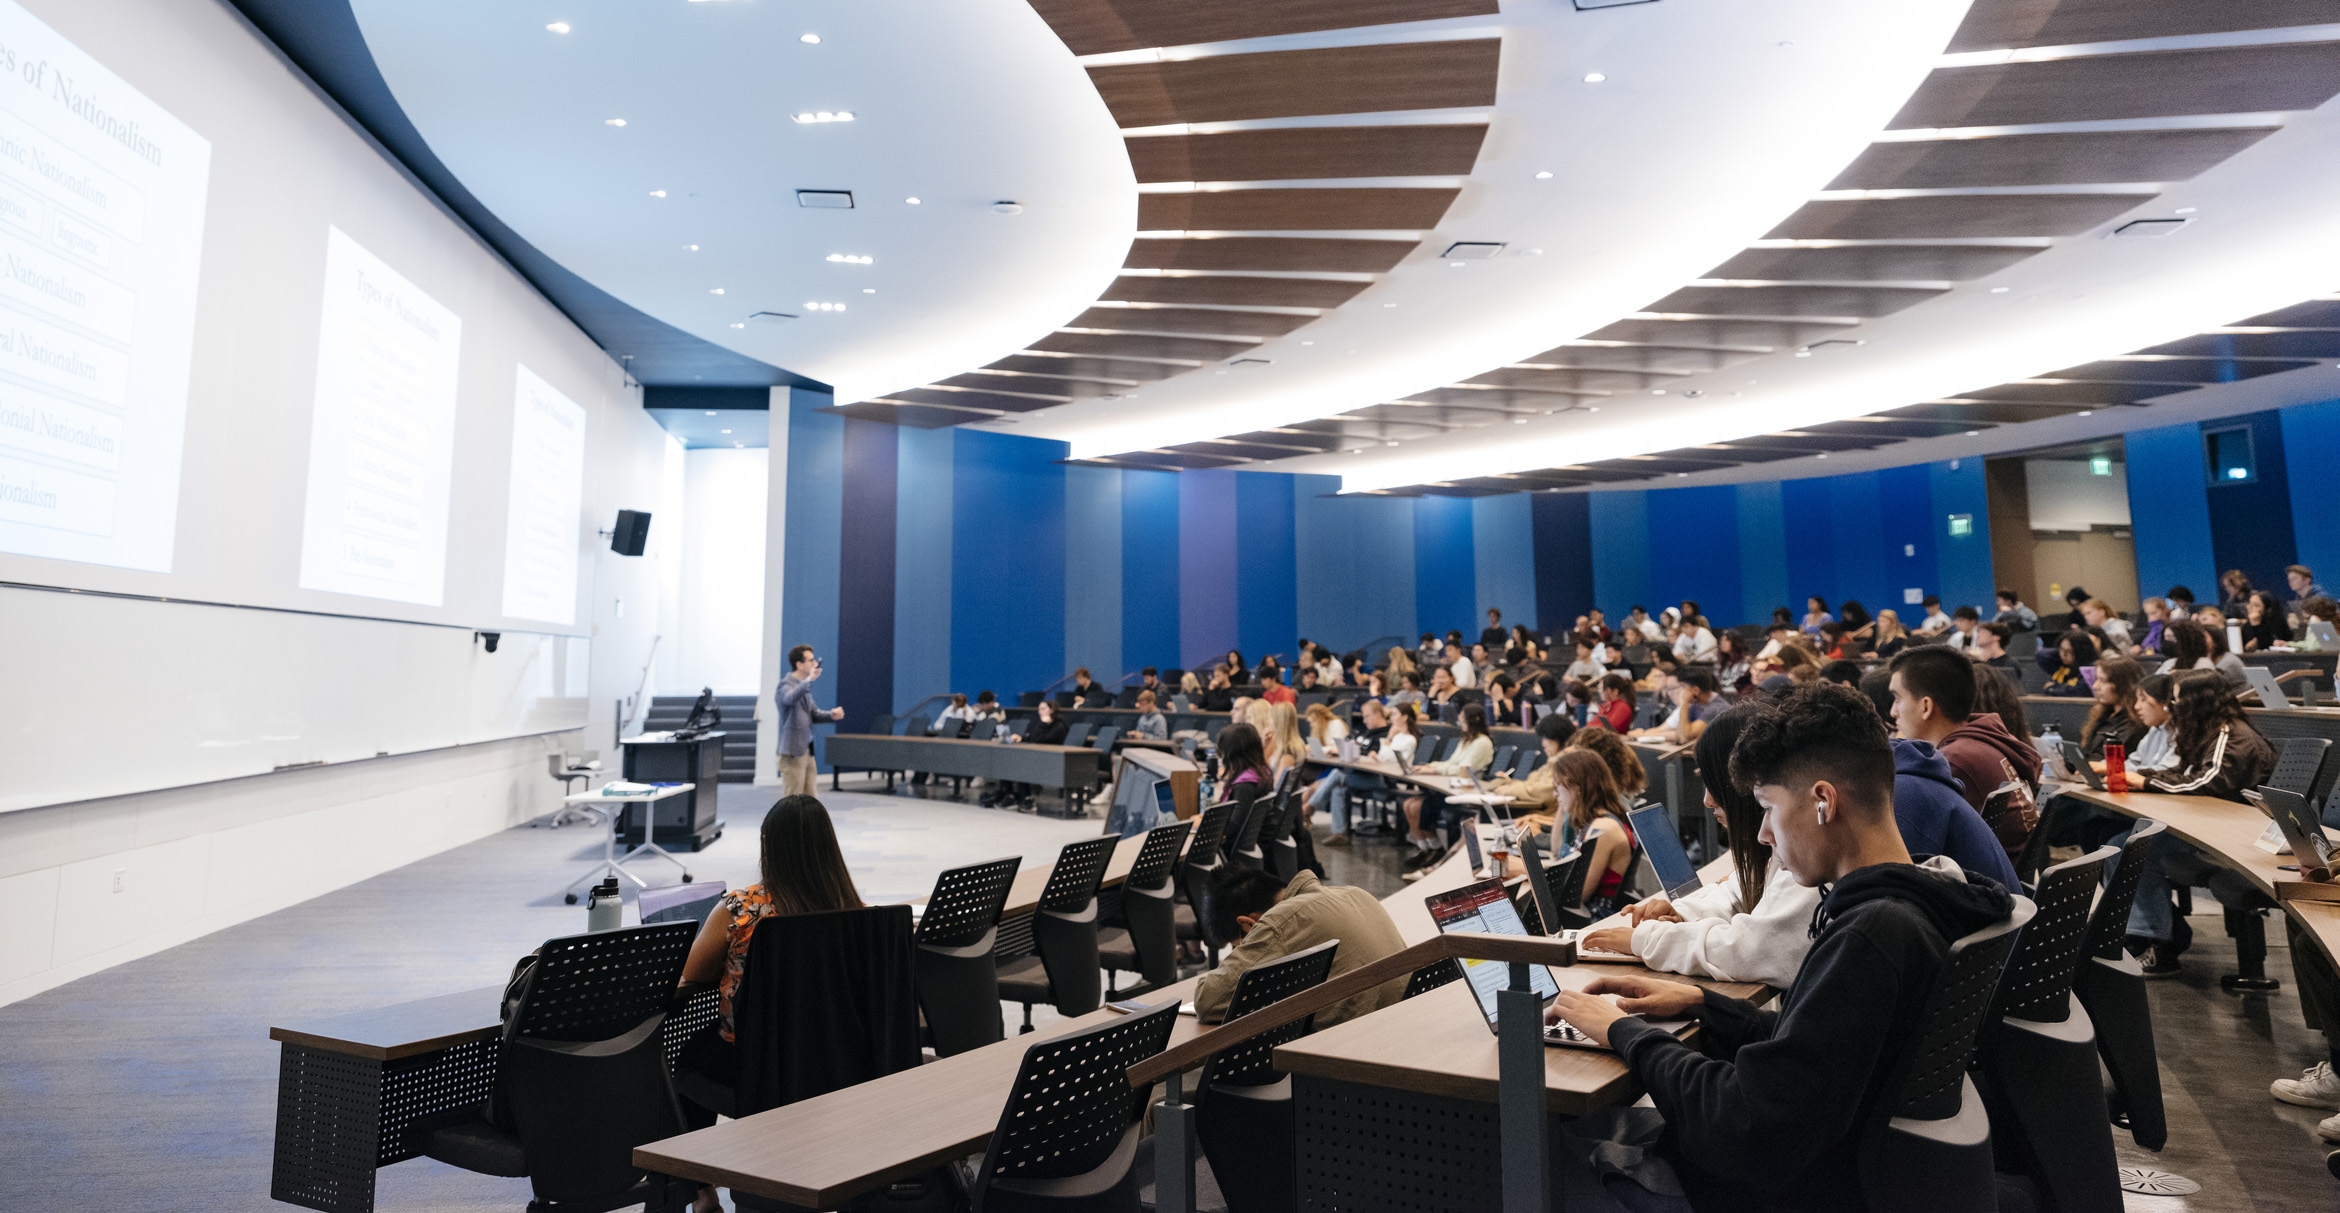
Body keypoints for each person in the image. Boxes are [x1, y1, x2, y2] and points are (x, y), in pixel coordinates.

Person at [1543, 681, 2016, 1213]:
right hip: (1851, 1169)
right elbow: (1825, 1053)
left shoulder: (1871, 935)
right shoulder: (1927, 897)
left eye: (1768, 807)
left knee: (1545, 1155)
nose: (1763, 833)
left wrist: (1623, 1032)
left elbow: (1751, 1128)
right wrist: (1705, 1005)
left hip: (1784, 1189)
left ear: (1822, 801)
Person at [1580, 707, 1821, 990]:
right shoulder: (1784, 851)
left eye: (1713, 783)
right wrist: (1681, 914)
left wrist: (1646, 940)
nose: (1707, 800)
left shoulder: (1809, 863)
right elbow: (1738, 892)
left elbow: (1750, 950)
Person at [676, 795, 865, 1144]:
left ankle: (696, 1187)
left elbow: (694, 971)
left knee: (687, 1053)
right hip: (836, 1059)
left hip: (757, 1065)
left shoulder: (741, 910)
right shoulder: (856, 912)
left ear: (769, 846)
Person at [1195, 867, 1408, 1027]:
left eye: (1241, 946)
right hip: (1402, 1030)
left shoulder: (1282, 920)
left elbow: (1209, 1002)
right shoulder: (1355, 894)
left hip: (1357, 1055)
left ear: (1249, 924)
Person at [1886, 646, 2040, 860]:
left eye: (1897, 698)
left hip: (1983, 888)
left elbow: (1912, 852)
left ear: (1926, 706)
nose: (1893, 712)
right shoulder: (1977, 744)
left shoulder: (1955, 760)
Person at [1401, 704, 1495, 874]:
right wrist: (1431, 766)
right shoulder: (1466, 740)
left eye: (1462, 717)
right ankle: (1426, 848)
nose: (1459, 720)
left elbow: (1466, 769)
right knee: (1409, 804)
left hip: (1467, 790)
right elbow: (1452, 762)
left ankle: (1437, 849)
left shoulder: (1483, 743)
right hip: (1452, 784)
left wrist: (1435, 770)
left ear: (1472, 720)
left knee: (1417, 806)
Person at [1549, 749, 1638, 919]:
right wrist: (1564, 801)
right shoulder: (1594, 821)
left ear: (1577, 786)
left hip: (1599, 918)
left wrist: (1529, 874)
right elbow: (1557, 849)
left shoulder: (1603, 828)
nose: (1555, 794)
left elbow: (1575, 896)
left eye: (1557, 786)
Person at [774, 645, 846, 796]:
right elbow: (789, 698)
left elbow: (812, 714)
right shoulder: (785, 685)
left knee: (810, 798)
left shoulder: (804, 687)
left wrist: (830, 715)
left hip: (807, 750)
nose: (814, 664)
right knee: (792, 799)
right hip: (792, 752)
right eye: (810, 660)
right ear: (799, 664)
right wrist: (808, 680)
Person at [1484, 711, 1576, 815]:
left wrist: (1509, 790)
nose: (1543, 744)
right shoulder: (1552, 762)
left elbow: (1543, 792)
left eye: (1545, 738)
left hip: (1546, 818)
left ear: (1557, 737)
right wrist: (1506, 783)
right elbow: (1531, 784)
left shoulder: (1564, 764)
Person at [2079, 655, 2148, 760]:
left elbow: (2109, 760)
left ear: (2122, 684)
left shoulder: (2134, 724)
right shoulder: (2104, 715)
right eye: (2096, 679)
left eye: (2103, 680)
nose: (2095, 686)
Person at [1634, 666, 1725, 745]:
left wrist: (1684, 703)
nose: (1679, 693)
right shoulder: (1695, 705)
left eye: (1681, 687)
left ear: (1696, 690)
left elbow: (1683, 737)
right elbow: (1667, 729)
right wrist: (1643, 733)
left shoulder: (1716, 708)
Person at [2041, 631, 2100, 697]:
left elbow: (2080, 692)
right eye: (2061, 649)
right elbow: (2042, 655)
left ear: (2081, 652)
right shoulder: (2062, 667)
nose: (2063, 655)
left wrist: (2052, 689)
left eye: (2069, 651)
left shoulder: (2090, 669)